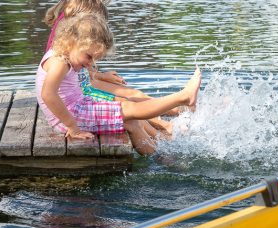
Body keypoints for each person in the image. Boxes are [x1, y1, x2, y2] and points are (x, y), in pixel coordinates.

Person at [36, 14, 202, 155]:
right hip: (73, 117)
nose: (90, 63)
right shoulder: (60, 63)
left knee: (131, 119)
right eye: (89, 56)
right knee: (131, 110)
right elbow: (47, 94)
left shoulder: (62, 53)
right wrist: (72, 127)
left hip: (76, 109)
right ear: (72, 42)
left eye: (95, 59)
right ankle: (183, 97)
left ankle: (158, 155)